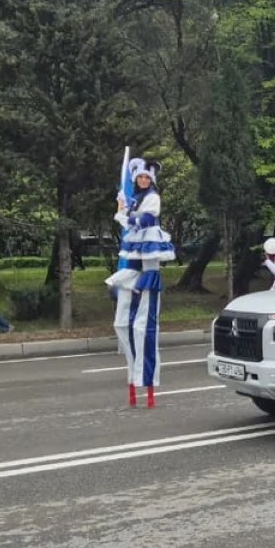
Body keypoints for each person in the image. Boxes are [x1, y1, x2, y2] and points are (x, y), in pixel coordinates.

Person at [107, 160, 176, 407]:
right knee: (121, 324)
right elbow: (127, 222)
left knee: (143, 327)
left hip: (149, 256)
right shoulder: (135, 197)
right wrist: (121, 208)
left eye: (147, 178)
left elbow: (146, 220)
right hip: (135, 257)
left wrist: (127, 210)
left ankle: (144, 378)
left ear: (152, 180)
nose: (143, 181)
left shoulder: (152, 198)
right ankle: (132, 373)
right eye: (140, 178)